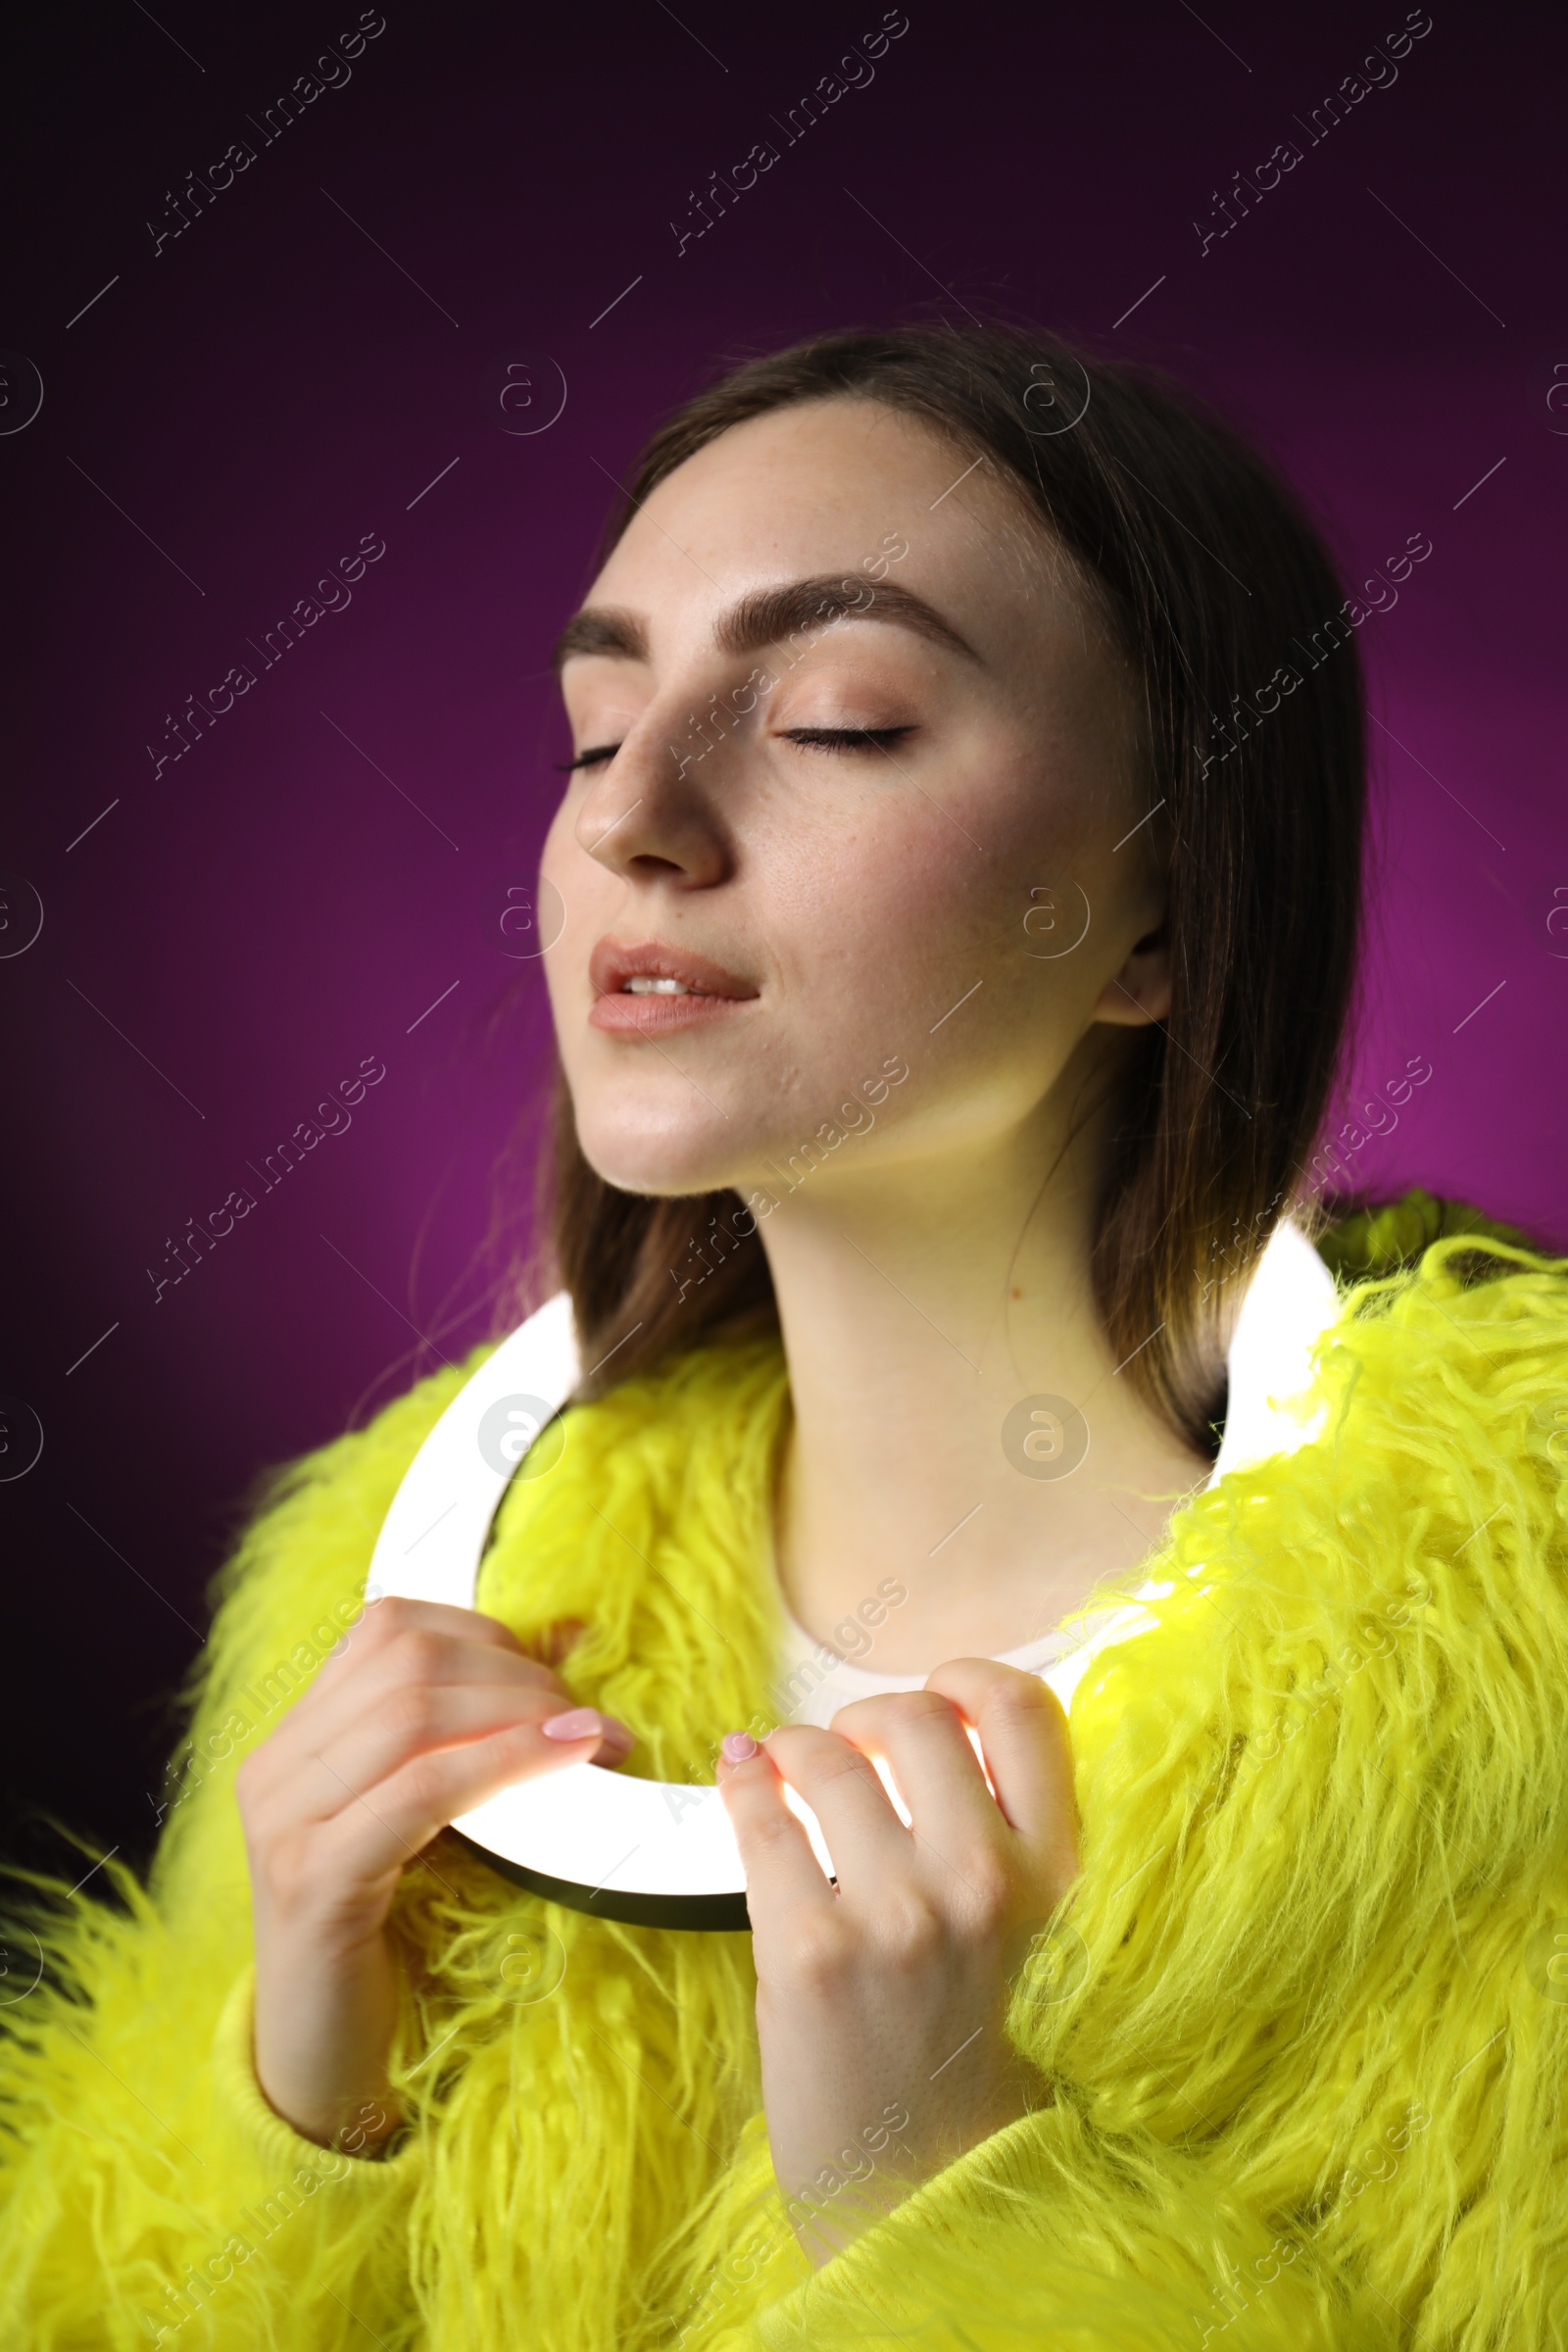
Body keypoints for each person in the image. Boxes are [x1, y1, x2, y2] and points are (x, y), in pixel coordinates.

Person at [2, 323, 1564, 2351]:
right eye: (587, 730)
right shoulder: (370, 1610)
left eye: (832, 719)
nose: (634, 818)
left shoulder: (1510, 1703)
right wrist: (298, 2099)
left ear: (1161, 910)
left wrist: (954, 2200)